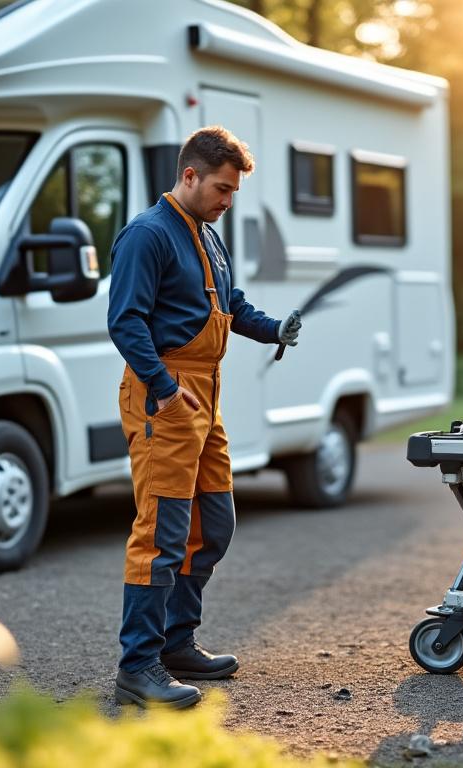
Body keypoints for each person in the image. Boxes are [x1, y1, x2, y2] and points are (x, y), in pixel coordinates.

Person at [106, 126, 303, 708]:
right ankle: (137, 667)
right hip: (164, 396)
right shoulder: (148, 234)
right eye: (221, 187)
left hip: (206, 397)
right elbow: (126, 321)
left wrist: (272, 329)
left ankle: (176, 643)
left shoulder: (205, 234)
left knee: (212, 526)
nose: (228, 200)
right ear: (189, 175)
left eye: (233, 190)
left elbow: (228, 304)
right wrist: (165, 390)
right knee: (160, 535)